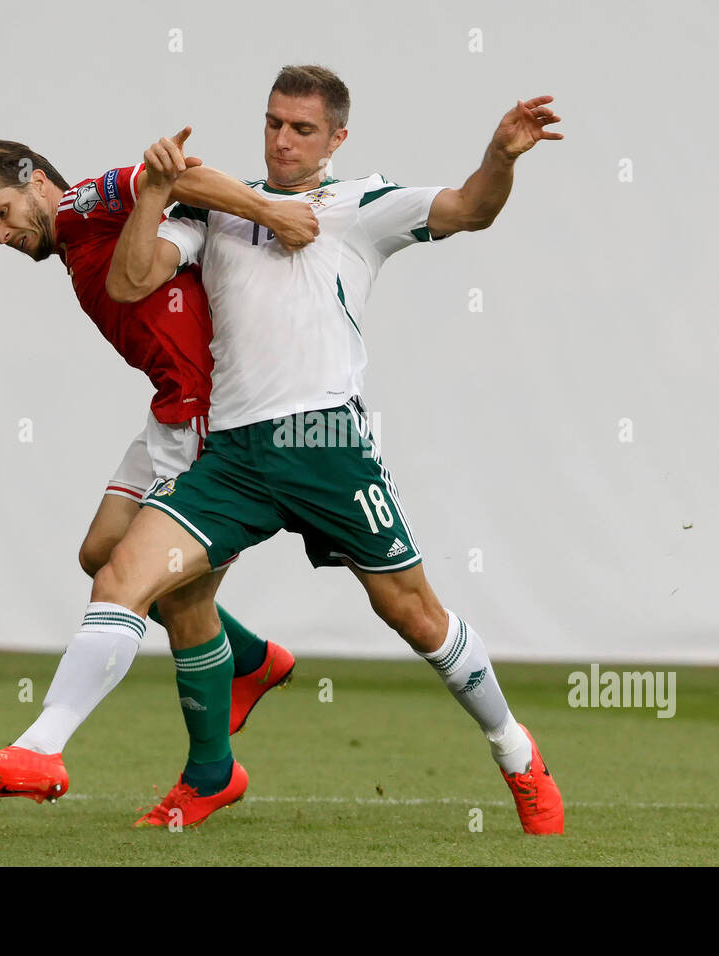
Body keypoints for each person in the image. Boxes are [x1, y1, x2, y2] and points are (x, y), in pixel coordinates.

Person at [97, 64, 567, 834]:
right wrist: (151, 193)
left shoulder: (362, 205)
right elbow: (131, 279)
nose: (283, 139)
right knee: (126, 572)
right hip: (238, 454)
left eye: (303, 128)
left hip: (325, 444)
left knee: (411, 615)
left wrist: (502, 156)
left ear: (337, 138)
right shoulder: (219, 209)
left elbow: (469, 209)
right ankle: (197, 770)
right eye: (274, 122)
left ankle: (515, 753)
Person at [0, 141, 317, 803]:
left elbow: (179, 176)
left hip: (209, 414)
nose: (0, 235)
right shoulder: (78, 237)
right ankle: (250, 661)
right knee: (101, 554)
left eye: (1, 212)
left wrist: (271, 211)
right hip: (170, 412)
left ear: (34, 180)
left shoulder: (85, 202)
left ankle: (79, 753)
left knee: (155, 588)